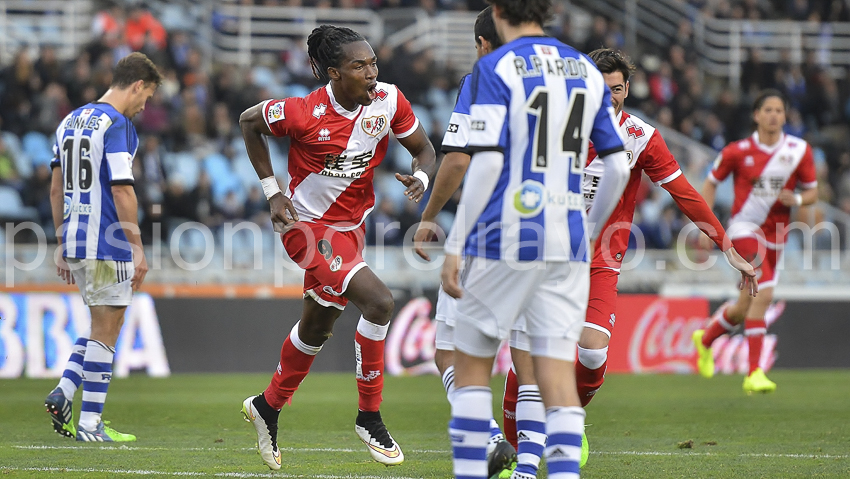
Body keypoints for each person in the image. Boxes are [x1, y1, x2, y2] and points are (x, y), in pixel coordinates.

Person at [499, 48, 758, 470]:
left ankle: (570, 416)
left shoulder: (640, 137)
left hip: (600, 258)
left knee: (593, 353)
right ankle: (514, 455)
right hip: (543, 252)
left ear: (626, 90)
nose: (609, 97)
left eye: (616, 89)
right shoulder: (551, 125)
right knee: (524, 357)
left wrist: (726, 245)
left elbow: (685, 194)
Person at [441, 2, 631, 478]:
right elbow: (619, 165)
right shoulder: (585, 70)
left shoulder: (495, 66)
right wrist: (586, 230)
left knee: (469, 371)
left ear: (501, 11)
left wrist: (455, 241)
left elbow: (483, 162)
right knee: (554, 375)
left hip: (505, 234)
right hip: (566, 240)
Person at [238, 25, 436, 470]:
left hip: (351, 229)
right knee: (380, 302)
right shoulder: (304, 112)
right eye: (359, 66)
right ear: (333, 74)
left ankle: (267, 406)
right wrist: (272, 191)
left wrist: (421, 178)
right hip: (306, 229)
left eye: (373, 63)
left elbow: (425, 151)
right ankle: (369, 416)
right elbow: (249, 121)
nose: (371, 73)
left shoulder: (389, 100)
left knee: (318, 326)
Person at [412, 7, 516, 478]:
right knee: (534, 352)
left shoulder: (483, 77)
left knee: (450, 351)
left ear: (480, 43)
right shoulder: (555, 79)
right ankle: (540, 453)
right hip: (547, 227)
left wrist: (429, 216)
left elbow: (456, 161)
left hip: (487, 224)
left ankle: (489, 436)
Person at [44, 52, 160, 442]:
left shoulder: (69, 120)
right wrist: (138, 248)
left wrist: (62, 240)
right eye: (147, 97)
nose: (145, 106)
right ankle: (90, 424)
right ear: (137, 85)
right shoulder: (118, 125)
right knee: (107, 330)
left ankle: (64, 392)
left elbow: (56, 187)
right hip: (107, 237)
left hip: (76, 236)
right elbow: (123, 189)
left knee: (102, 325)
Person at [693, 89, 817, 394]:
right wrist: (706, 227)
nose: (774, 115)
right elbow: (710, 182)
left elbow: (813, 191)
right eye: (768, 110)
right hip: (743, 231)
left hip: (777, 236)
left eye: (779, 110)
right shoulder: (738, 151)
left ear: (785, 116)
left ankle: (705, 338)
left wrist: (798, 197)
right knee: (761, 294)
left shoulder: (799, 150)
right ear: (756, 115)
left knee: (742, 307)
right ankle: (754, 372)